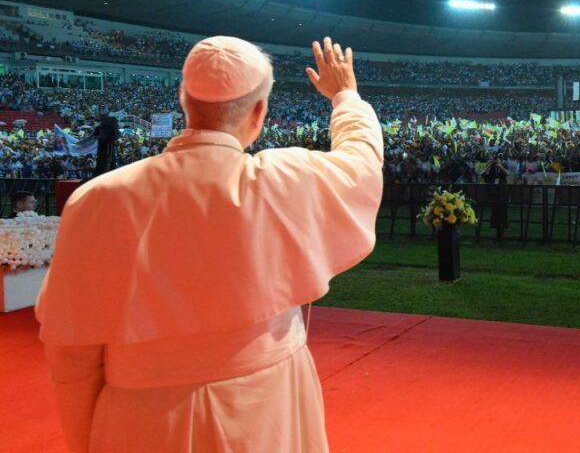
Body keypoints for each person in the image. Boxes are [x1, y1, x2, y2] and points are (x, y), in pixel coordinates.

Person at [35, 36, 384, 452]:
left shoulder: (98, 199)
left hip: (140, 416)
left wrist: (87, 439)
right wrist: (345, 96)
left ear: (183, 100)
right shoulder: (283, 181)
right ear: (259, 112)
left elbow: (71, 351)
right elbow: (361, 161)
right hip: (265, 406)